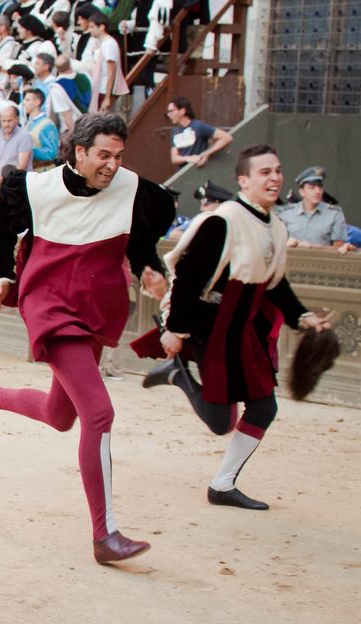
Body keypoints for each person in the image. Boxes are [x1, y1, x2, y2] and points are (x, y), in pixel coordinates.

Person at [0, 113, 174, 563]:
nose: (111, 165)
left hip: (97, 309)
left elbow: (140, 242)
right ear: (78, 152)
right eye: (103, 155)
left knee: (60, 415)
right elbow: (5, 234)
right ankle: (106, 534)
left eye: (118, 156)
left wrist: (148, 271)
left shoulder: (132, 188)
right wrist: (5, 277)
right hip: (50, 307)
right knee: (99, 413)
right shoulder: (35, 188)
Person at [139, 145, 331, 509]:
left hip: (244, 327)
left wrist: (303, 317)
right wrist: (174, 330)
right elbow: (189, 279)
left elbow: (275, 284)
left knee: (263, 408)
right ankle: (178, 376)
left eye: (277, 171)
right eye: (264, 172)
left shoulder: (275, 226)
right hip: (209, 322)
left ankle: (222, 485)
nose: (274, 177)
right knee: (218, 420)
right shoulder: (222, 220)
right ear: (244, 180)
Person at [277, 167, 347, 250]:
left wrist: (311, 246)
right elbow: (276, 245)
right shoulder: (286, 214)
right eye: (312, 187)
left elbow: (339, 249)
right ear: (302, 191)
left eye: (320, 187)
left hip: (322, 261)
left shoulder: (334, 214)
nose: (317, 191)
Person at [167, 97, 233, 168]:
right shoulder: (175, 131)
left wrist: (207, 154)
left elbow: (227, 138)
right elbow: (174, 158)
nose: (169, 115)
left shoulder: (198, 126)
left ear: (182, 111)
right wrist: (189, 158)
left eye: (171, 111)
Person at [0, 104, 32, 175]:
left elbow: (22, 165)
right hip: (2, 181)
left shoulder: (24, 136)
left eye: (9, 121)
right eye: (3, 121)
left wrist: (7, 180)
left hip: (18, 180)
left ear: (17, 119)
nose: (6, 124)